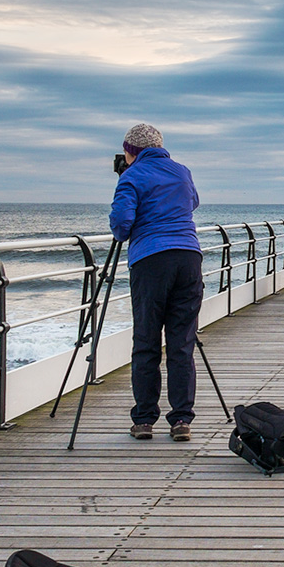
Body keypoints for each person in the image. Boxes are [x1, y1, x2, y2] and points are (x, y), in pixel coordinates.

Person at [109, 123, 202, 442]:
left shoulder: (131, 177)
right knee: (182, 341)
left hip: (151, 261)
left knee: (147, 340)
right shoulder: (182, 171)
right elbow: (192, 203)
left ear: (130, 151)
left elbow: (121, 226)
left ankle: (145, 418)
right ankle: (181, 420)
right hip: (189, 258)